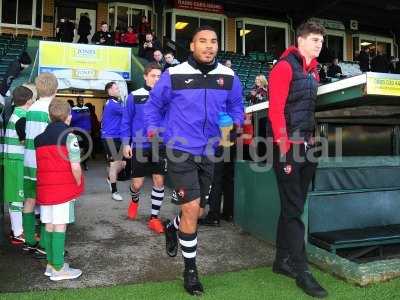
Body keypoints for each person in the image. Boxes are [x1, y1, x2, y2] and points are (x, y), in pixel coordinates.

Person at [145, 26, 244, 296]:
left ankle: (171, 227)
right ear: (192, 46)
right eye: (203, 41)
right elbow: (153, 106)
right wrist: (155, 131)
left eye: (213, 41)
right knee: (191, 209)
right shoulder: (173, 75)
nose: (209, 46)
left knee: (199, 211)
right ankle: (190, 271)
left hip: (212, 150)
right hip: (180, 151)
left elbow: (237, 106)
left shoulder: (228, 76)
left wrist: (234, 122)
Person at [268, 21, 328, 298]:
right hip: (287, 148)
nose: (319, 45)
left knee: (293, 206)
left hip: (307, 146)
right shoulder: (284, 67)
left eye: (321, 41)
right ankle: (302, 271)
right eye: (315, 40)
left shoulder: (314, 71)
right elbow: (276, 111)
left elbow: (307, 111)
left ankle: (282, 261)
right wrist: (283, 147)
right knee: (293, 209)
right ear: (301, 40)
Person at [35, 99, 84, 281]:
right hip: (62, 190)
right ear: (68, 117)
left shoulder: (39, 139)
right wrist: (78, 182)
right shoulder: (70, 137)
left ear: (50, 116)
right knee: (60, 225)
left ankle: (50, 264)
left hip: (45, 190)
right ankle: (58, 269)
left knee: (47, 224)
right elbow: (75, 166)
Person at [121, 63, 165, 234]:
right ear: (145, 77)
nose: (156, 79)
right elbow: (126, 121)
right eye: (153, 76)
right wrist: (126, 143)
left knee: (159, 181)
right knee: (137, 184)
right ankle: (134, 199)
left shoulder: (166, 96)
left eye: (159, 76)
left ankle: (154, 218)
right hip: (139, 144)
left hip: (159, 145)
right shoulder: (134, 96)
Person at [23, 73, 59, 259]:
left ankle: (29, 240)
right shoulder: (51, 110)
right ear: (56, 89)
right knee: (47, 203)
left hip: (28, 160)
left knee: (29, 200)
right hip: (44, 163)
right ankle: (44, 245)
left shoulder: (31, 109)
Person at [3, 86, 35, 244]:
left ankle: (17, 229)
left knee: (15, 197)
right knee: (17, 198)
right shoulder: (22, 116)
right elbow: (25, 140)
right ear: (29, 100)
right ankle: (18, 233)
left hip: (12, 160)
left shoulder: (15, 113)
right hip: (17, 161)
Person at [101, 82, 125, 201]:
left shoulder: (116, 103)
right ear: (109, 91)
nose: (118, 90)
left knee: (122, 164)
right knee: (114, 164)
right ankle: (114, 191)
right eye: (116, 88)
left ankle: (110, 178)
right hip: (109, 137)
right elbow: (128, 113)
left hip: (118, 137)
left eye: (118, 88)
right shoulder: (112, 105)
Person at [71, 96, 92, 171]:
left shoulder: (86, 108)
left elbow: (88, 119)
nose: (81, 101)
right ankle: (77, 163)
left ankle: (84, 162)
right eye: (80, 100)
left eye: (82, 100)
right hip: (77, 131)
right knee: (77, 147)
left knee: (86, 147)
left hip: (86, 131)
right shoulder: (73, 109)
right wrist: (82, 115)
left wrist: (90, 128)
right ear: (77, 101)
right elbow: (73, 119)